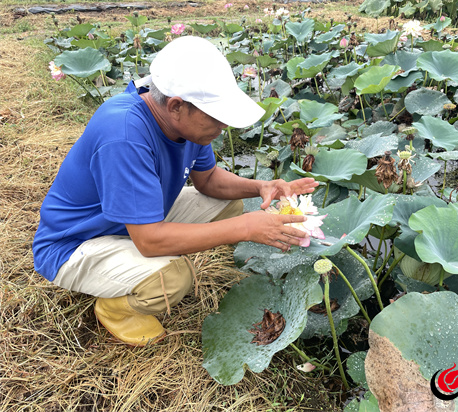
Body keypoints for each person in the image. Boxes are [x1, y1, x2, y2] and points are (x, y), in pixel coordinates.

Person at [33, 36, 318, 346]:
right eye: (216, 117)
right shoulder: (124, 133)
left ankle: (136, 267)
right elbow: (150, 240)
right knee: (173, 278)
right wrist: (245, 228)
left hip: (132, 221)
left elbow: (208, 180)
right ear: (176, 106)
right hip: (76, 243)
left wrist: (261, 186)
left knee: (230, 206)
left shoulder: (183, 124)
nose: (223, 126)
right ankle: (114, 308)